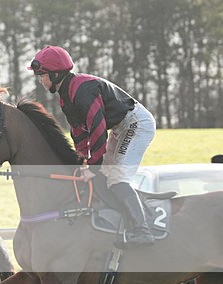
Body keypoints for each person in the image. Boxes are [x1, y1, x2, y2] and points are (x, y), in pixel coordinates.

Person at [28, 45, 156, 246]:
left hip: (136, 124)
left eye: (42, 75)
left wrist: (92, 167)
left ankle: (142, 231)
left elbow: (97, 130)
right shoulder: (66, 97)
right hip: (119, 127)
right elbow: (79, 132)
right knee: (105, 174)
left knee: (117, 178)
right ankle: (120, 221)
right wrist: (83, 163)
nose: (40, 80)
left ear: (55, 73)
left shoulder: (82, 89)